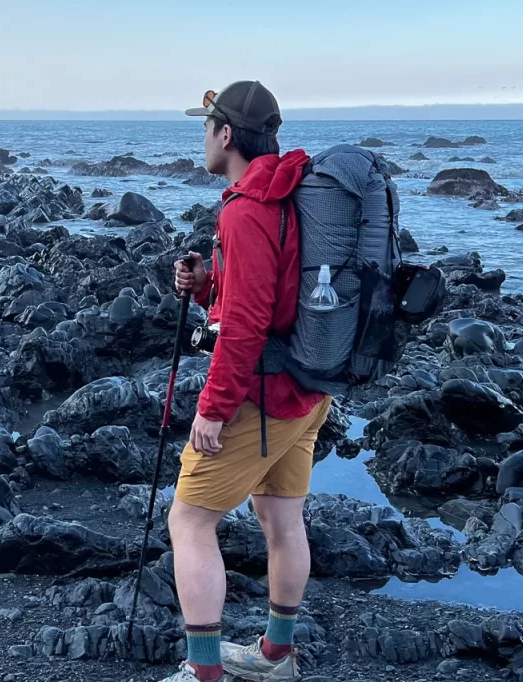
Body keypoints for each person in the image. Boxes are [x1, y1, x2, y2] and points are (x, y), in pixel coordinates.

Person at [161, 81, 332, 682]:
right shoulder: (295, 192)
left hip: (263, 398)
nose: (202, 138)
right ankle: (276, 658)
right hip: (310, 390)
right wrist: (208, 281)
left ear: (226, 134)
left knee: (189, 521)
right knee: (282, 519)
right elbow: (276, 292)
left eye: (205, 127)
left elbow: (245, 324)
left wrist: (212, 408)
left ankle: (203, 673)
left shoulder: (246, 209)